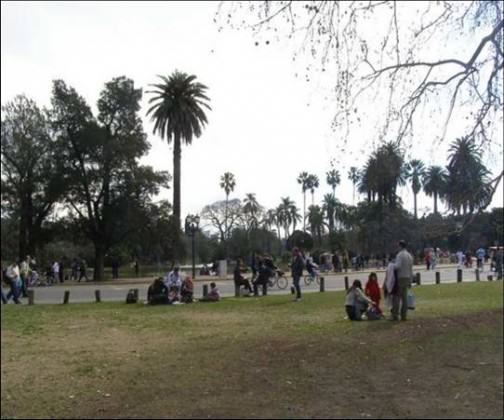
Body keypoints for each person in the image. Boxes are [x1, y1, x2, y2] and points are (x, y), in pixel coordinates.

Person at [392, 240, 413, 321]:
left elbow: (398, 266)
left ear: (400, 246)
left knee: (397, 297)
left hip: (400, 277)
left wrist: (392, 265)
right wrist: (410, 281)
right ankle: (404, 315)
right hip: (407, 277)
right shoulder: (409, 255)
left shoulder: (400, 255)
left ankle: (395, 315)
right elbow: (411, 269)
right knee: (404, 298)